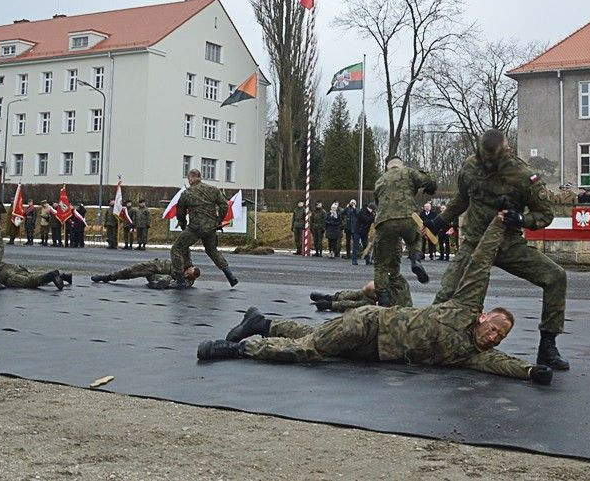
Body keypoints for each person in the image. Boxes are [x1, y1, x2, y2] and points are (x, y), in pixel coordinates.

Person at [197, 215, 554, 386]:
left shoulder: (473, 355)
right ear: (484, 317)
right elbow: (480, 265)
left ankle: (263, 323)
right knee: (309, 351)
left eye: (499, 337)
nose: (494, 337)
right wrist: (498, 225)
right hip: (370, 322)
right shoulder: (464, 307)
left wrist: (531, 371)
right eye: (495, 328)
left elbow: (503, 364)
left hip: (373, 351)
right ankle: (234, 349)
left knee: (313, 336)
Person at [429, 128, 568, 371]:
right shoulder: (470, 167)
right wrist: (440, 222)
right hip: (474, 243)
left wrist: (521, 219)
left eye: (494, 160)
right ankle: (428, 340)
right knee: (446, 294)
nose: (488, 164)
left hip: (508, 244)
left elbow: (545, 214)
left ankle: (548, 345)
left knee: (556, 277)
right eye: (485, 159)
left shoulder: (524, 175)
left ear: (506, 151)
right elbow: (462, 198)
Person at [371, 155, 436, 306]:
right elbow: (428, 180)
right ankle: (415, 260)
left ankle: (383, 298)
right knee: (415, 239)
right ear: (401, 165)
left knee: (380, 264)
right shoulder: (408, 172)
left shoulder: (380, 180)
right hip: (408, 217)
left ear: (387, 166)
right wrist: (430, 188)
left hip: (385, 221)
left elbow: (377, 202)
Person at [170, 169, 238, 287]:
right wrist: (218, 220)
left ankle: (180, 280)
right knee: (212, 251)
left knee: (176, 248)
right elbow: (224, 205)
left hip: (195, 228)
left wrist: (182, 224)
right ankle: (230, 276)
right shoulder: (213, 190)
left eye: (189, 179)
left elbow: (180, 211)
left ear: (191, 178)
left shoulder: (187, 193)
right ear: (200, 177)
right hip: (210, 228)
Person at [93, 261, 200, 289]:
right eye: (187, 272)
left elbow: (175, 285)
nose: (185, 275)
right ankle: (109, 277)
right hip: (155, 266)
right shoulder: (185, 262)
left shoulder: (188, 281)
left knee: (166, 280)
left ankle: (154, 284)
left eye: (188, 276)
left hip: (158, 276)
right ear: (190, 268)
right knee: (131, 270)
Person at [309, 281, 386, 312]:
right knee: (359, 293)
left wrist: (332, 305)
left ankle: (331, 304)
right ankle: (332, 298)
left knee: (362, 305)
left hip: (380, 304)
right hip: (378, 297)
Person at [0, 263, 71, 290]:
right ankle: (62, 276)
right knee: (31, 277)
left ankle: (51, 275)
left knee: (29, 282)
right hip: (10, 267)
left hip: (4, 274)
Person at [342, 199, 361, 265]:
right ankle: (348, 254)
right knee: (348, 241)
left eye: (353, 203)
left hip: (354, 228)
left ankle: (355, 254)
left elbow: (358, 215)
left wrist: (354, 208)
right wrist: (346, 207)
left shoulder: (356, 209)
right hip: (348, 227)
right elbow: (343, 213)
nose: (352, 204)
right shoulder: (347, 209)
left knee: (355, 242)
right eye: (351, 203)